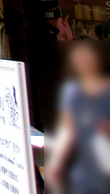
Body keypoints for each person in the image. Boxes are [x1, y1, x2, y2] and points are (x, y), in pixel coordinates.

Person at [45, 39, 110, 194]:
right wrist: (56, 163)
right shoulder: (71, 92)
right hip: (85, 166)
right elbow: (67, 129)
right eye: (79, 59)